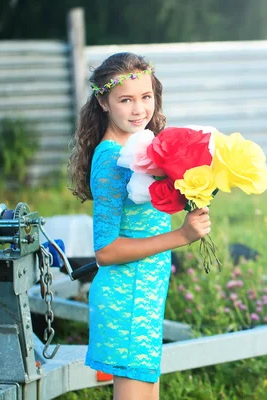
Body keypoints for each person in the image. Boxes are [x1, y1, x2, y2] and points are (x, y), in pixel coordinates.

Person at [68, 52, 211, 400]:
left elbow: (144, 217)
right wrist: (181, 235)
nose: (138, 110)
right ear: (103, 101)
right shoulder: (111, 158)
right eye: (125, 100)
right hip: (124, 299)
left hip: (145, 296)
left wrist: (191, 190)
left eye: (146, 97)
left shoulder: (143, 147)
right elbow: (106, 251)